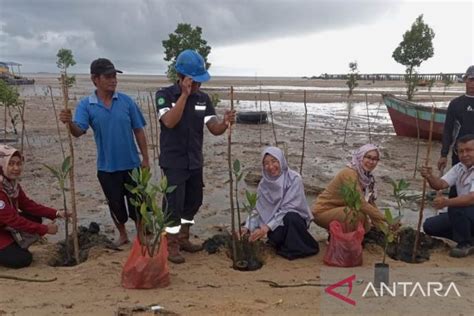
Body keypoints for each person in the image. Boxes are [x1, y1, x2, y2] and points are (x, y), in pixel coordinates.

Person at [155, 49, 235, 264]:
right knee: (173, 204)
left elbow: (214, 128)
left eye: (199, 82)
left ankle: (183, 237)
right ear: (181, 77)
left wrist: (225, 122)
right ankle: (170, 244)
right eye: (194, 81)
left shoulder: (203, 99)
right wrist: (184, 95)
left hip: (194, 161)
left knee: (194, 201)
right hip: (174, 162)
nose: (198, 86)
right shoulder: (164, 95)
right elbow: (169, 122)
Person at [59, 58, 149, 246]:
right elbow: (78, 132)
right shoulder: (86, 105)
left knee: (138, 203)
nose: (113, 80)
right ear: (95, 79)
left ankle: (140, 234)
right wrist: (69, 123)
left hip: (132, 165)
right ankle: (123, 235)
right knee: (115, 205)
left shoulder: (126, 101)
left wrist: (146, 158)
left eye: (115, 76)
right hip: (107, 167)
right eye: (108, 76)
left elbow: (139, 130)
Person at [241, 147, 318, 260]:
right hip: (275, 221)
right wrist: (247, 227)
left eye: (274, 161)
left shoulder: (294, 179)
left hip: (294, 220)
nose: (271, 167)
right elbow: (258, 208)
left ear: (281, 161)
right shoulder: (264, 183)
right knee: (274, 236)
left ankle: (302, 248)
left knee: (290, 217)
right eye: (266, 163)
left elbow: (287, 208)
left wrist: (266, 228)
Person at [0, 145, 68, 268]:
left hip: (4, 226)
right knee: (23, 259)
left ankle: (11, 245)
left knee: (34, 217)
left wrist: (56, 213)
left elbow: (27, 204)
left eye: (18, 164)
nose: (16, 168)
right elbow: (13, 220)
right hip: (4, 225)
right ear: (2, 164)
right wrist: (44, 229)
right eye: (11, 164)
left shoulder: (11, 184)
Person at [422, 134, 474, 258]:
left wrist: (446, 202)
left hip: (469, 210)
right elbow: (440, 184)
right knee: (430, 226)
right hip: (466, 214)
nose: (464, 154)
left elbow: (472, 198)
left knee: (455, 207)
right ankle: (470, 238)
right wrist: (429, 176)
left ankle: (465, 243)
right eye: (461, 151)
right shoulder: (459, 168)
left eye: (469, 150)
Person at [313, 144, 385, 231]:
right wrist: (387, 219)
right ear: (360, 157)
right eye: (368, 157)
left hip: (340, 210)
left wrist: (384, 228)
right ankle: (337, 239)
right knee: (358, 215)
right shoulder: (349, 173)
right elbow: (361, 203)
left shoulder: (367, 178)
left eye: (375, 159)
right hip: (322, 212)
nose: (371, 162)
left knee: (367, 225)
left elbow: (370, 203)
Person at [438, 65, 474, 198]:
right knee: (455, 189)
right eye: (471, 79)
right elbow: (448, 130)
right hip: (459, 154)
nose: (473, 83)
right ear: (465, 80)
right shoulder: (456, 104)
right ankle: (453, 215)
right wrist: (443, 154)